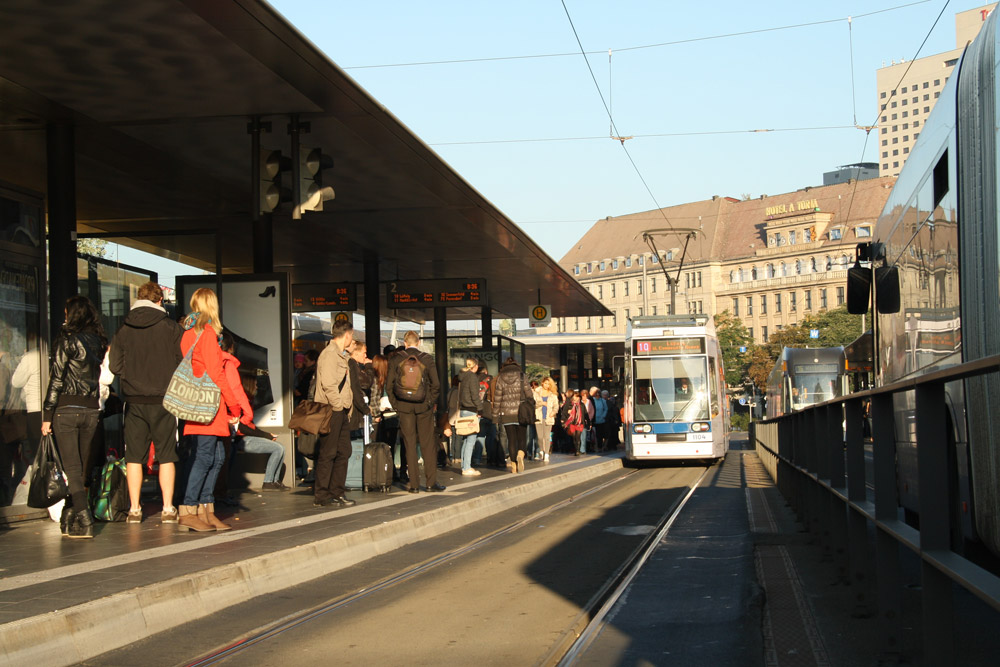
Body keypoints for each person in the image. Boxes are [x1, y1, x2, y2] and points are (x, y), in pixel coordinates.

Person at [107, 282, 183, 524]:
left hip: (134, 400)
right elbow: (183, 363)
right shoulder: (171, 328)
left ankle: (135, 509)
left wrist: (130, 377)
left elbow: (114, 366)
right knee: (167, 455)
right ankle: (168, 508)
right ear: (160, 300)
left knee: (134, 457)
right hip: (164, 400)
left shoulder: (124, 329)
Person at [41, 295, 109, 539]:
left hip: (67, 409)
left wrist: (47, 414)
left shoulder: (66, 339)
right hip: (91, 409)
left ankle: (84, 516)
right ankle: (71, 515)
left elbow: (57, 378)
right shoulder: (98, 341)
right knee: (80, 468)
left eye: (67, 312)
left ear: (72, 314)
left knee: (71, 466)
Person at [178, 288, 242, 532]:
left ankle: (206, 509)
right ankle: (190, 508)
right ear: (212, 306)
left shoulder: (189, 333)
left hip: (200, 401)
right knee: (206, 456)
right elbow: (216, 374)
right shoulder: (206, 334)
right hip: (210, 403)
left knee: (215, 456)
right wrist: (233, 404)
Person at [219, 332, 287, 491]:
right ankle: (269, 481)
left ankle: (273, 480)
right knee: (279, 448)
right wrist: (266, 435)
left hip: (240, 435)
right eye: (255, 385)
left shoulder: (245, 401)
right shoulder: (239, 400)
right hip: (242, 438)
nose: (257, 387)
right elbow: (243, 427)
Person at [385, 330, 444, 493]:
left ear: (404, 343)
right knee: (427, 444)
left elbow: (388, 386)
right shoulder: (426, 359)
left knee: (409, 444)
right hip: (423, 406)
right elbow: (436, 384)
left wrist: (396, 404)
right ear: (418, 342)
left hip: (404, 407)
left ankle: (414, 485)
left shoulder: (397, 359)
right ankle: (431, 483)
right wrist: (430, 402)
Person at [312, 320, 357, 507]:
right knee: (328, 452)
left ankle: (337, 492)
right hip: (332, 410)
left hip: (342, 411)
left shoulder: (341, 355)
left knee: (344, 451)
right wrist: (339, 406)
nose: (352, 339)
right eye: (352, 335)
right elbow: (329, 385)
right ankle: (322, 495)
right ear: (346, 334)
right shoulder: (329, 355)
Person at [491, 357, 534, 473]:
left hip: (506, 413)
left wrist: (495, 416)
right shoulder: (521, 376)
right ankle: (521, 454)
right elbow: (529, 394)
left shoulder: (500, 378)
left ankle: (514, 464)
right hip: (521, 413)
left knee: (511, 440)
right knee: (522, 438)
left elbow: (497, 398)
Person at [455, 357, 483, 476]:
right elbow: (474, 395)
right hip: (471, 410)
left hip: (463, 410)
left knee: (466, 440)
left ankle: (464, 466)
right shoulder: (472, 377)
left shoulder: (462, 377)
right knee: (471, 440)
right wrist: (480, 408)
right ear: (475, 366)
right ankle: (467, 467)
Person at [534, 377, 559, 462]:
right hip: (538, 417)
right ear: (542, 383)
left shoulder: (553, 394)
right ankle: (541, 450)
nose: (547, 385)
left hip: (548, 418)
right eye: (545, 383)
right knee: (540, 437)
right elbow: (533, 404)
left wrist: (553, 412)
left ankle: (547, 454)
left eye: (548, 384)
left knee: (547, 437)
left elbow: (556, 406)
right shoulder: (536, 392)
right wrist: (542, 403)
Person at [559, 389, 589, 456]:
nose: (576, 398)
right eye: (574, 397)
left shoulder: (581, 405)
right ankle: (575, 449)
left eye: (577, 397)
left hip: (579, 423)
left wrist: (589, 423)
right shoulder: (569, 404)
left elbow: (585, 414)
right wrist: (563, 419)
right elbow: (564, 412)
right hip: (572, 423)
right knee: (574, 437)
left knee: (578, 437)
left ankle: (577, 450)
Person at [591, 386, 608, 453]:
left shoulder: (603, 401)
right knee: (594, 435)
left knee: (600, 435)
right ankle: (595, 446)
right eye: (596, 394)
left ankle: (600, 447)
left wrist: (603, 415)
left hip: (601, 420)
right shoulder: (593, 400)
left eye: (598, 394)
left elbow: (606, 409)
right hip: (594, 419)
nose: (597, 395)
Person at [580, 389, 595, 454]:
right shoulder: (579, 402)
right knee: (580, 436)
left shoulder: (589, 402)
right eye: (583, 396)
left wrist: (589, 419)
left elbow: (592, 411)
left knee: (585, 436)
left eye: (585, 396)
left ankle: (584, 449)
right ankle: (581, 449)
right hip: (580, 421)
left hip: (587, 421)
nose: (584, 397)